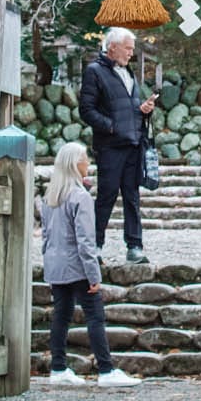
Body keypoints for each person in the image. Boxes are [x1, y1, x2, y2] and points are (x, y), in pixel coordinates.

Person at [40, 141, 140, 388]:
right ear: (76, 164)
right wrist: (94, 274)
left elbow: (45, 236)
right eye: (85, 159)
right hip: (78, 267)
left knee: (61, 317)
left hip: (56, 265)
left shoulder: (50, 197)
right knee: (95, 317)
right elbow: (86, 240)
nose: (88, 164)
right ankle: (105, 370)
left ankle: (58, 367)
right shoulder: (80, 196)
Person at [78, 26, 156, 264]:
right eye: (128, 48)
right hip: (110, 146)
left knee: (132, 198)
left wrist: (142, 110)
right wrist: (111, 127)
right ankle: (95, 246)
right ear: (112, 47)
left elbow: (126, 107)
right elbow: (86, 110)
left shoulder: (130, 74)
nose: (131, 53)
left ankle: (135, 247)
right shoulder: (94, 71)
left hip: (133, 143)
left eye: (132, 48)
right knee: (106, 196)